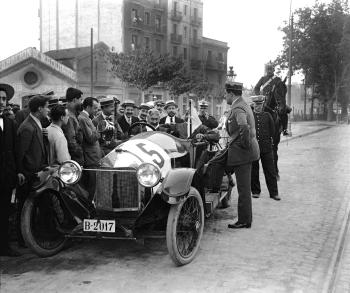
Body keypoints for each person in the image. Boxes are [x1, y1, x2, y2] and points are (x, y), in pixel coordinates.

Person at [207, 81, 259, 229]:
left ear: (231, 94)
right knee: (216, 162)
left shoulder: (238, 108)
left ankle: (244, 221)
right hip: (237, 149)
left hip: (242, 152)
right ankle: (215, 190)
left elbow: (244, 127)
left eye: (226, 94)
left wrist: (243, 146)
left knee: (244, 189)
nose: (225, 97)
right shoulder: (241, 104)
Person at [16, 95, 50, 245]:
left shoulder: (36, 124)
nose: (48, 110)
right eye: (47, 107)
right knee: (24, 208)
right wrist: (22, 172)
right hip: (29, 175)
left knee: (35, 207)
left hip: (37, 173)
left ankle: (33, 237)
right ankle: (23, 240)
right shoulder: (27, 127)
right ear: (39, 109)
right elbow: (20, 153)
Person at [0, 83, 20, 256]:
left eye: (4, 99)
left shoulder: (9, 123)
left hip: (6, 175)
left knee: (5, 211)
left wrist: (17, 171)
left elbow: (15, 149)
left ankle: (4, 246)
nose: (1, 102)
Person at [250, 96, 280, 201]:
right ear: (253, 105)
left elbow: (273, 131)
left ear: (263, 105)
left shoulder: (267, 116)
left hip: (266, 148)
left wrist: (268, 141)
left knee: (270, 170)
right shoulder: (250, 116)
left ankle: (274, 193)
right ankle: (255, 191)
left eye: (260, 104)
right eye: (256, 104)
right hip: (254, 147)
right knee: (254, 170)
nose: (258, 106)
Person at [254, 62, 290, 136]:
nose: (269, 71)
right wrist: (259, 96)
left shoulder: (277, 79)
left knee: (285, 110)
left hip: (276, 100)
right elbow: (256, 88)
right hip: (264, 100)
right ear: (266, 70)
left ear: (273, 70)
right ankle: (255, 128)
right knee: (254, 111)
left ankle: (284, 129)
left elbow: (281, 88)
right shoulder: (263, 79)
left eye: (271, 69)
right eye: (268, 69)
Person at [78, 97, 102, 200]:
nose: (97, 111)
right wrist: (99, 130)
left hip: (93, 157)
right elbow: (91, 138)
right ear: (88, 107)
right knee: (91, 187)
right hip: (90, 158)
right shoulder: (83, 118)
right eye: (95, 108)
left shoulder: (86, 118)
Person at [62, 87, 84, 165]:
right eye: (81, 100)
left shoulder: (73, 114)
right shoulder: (69, 116)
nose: (81, 102)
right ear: (75, 100)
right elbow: (71, 142)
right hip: (75, 160)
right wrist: (80, 153)